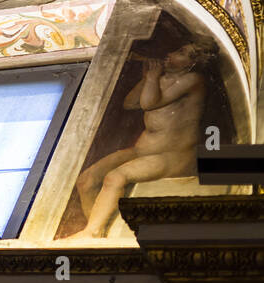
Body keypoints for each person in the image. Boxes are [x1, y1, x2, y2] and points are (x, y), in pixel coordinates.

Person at [70, 37, 215, 238]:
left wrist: (152, 78)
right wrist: (147, 77)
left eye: (181, 53)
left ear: (192, 64)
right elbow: (130, 103)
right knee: (86, 180)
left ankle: (91, 231)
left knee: (115, 177)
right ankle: (96, 231)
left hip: (174, 155)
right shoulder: (160, 79)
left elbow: (148, 104)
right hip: (144, 150)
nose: (171, 54)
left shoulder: (193, 80)